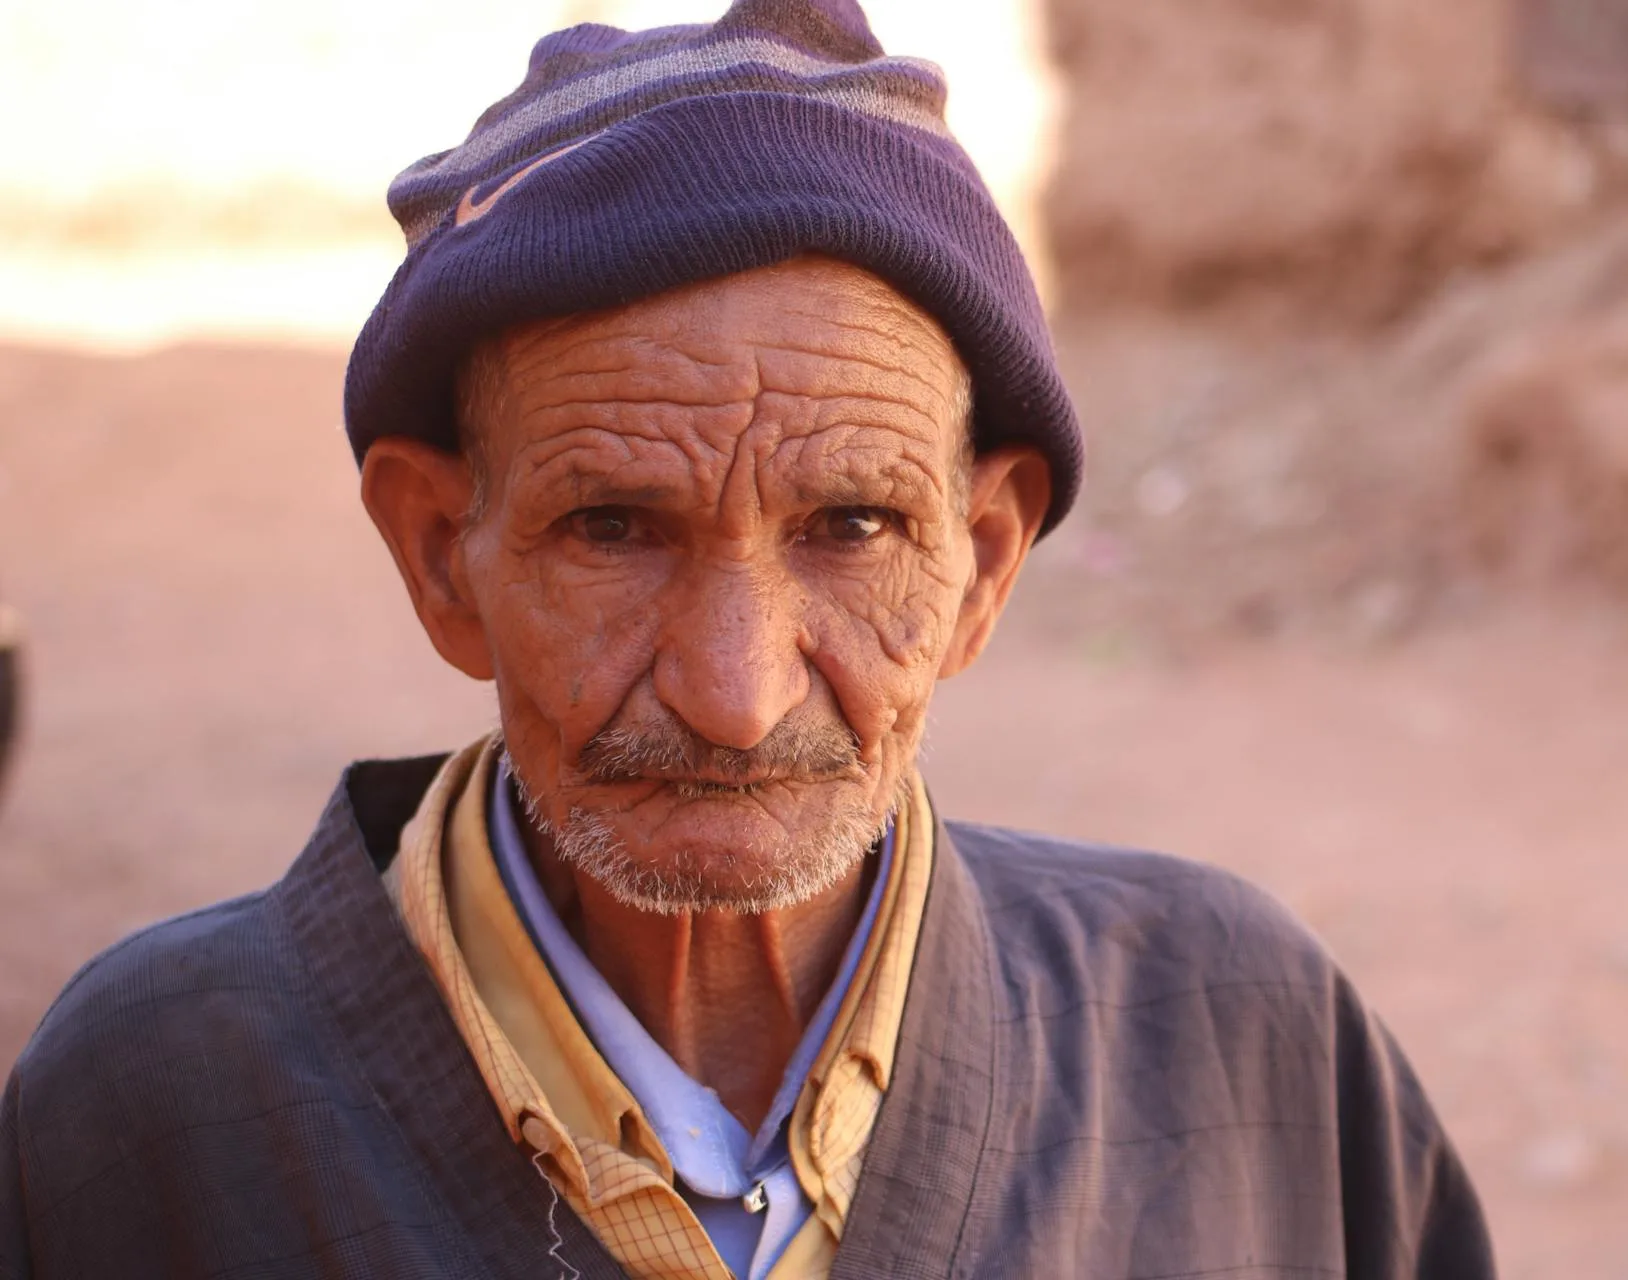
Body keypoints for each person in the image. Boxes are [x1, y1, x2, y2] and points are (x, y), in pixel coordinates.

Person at [0, 2, 1496, 1277]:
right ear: (442, 558)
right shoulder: (149, 1110)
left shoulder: (1238, 1041)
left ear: (979, 566)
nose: (734, 692)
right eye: (611, 529)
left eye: (852, 529)